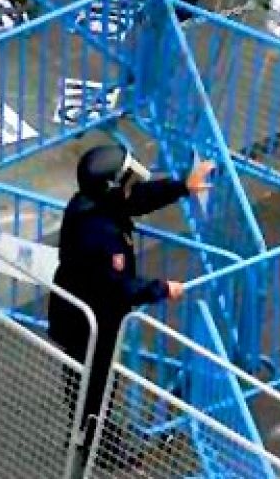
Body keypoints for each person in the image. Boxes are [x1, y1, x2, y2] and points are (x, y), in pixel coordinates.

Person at [50, 146, 212, 441]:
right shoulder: (100, 234)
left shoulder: (93, 204)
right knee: (92, 382)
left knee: (89, 379)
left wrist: (181, 187)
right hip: (88, 320)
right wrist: (160, 289)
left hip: (83, 311)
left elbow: (137, 198)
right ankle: (91, 440)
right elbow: (117, 287)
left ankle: (92, 431)